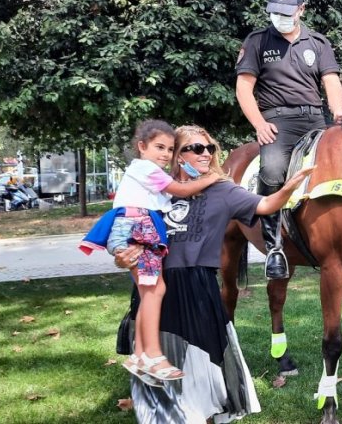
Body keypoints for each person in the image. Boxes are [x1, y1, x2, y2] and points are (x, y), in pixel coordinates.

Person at [115, 125, 315, 423]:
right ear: (177, 155)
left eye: (209, 148)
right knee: (157, 373)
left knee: (203, 374)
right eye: (195, 148)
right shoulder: (156, 185)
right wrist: (122, 255)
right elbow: (126, 223)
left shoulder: (223, 189)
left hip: (198, 289)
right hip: (155, 286)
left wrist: (288, 189)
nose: (205, 153)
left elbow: (265, 204)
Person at [80, 120, 219, 384]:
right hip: (138, 229)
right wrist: (211, 177)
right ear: (141, 147)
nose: (165, 154)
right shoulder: (146, 169)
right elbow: (180, 189)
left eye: (169, 149)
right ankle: (153, 355)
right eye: (159, 147)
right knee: (155, 290)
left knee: (151, 291)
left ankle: (141, 355)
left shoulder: (147, 176)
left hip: (138, 229)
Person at [235, 0, 342, 280]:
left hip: (314, 119)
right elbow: (244, 87)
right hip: (276, 122)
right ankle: (274, 249)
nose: (280, 18)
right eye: (275, 12)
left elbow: (331, 81)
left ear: (301, 10)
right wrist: (259, 124)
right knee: (271, 172)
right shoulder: (257, 41)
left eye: (287, 12)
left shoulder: (318, 43)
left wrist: (337, 112)